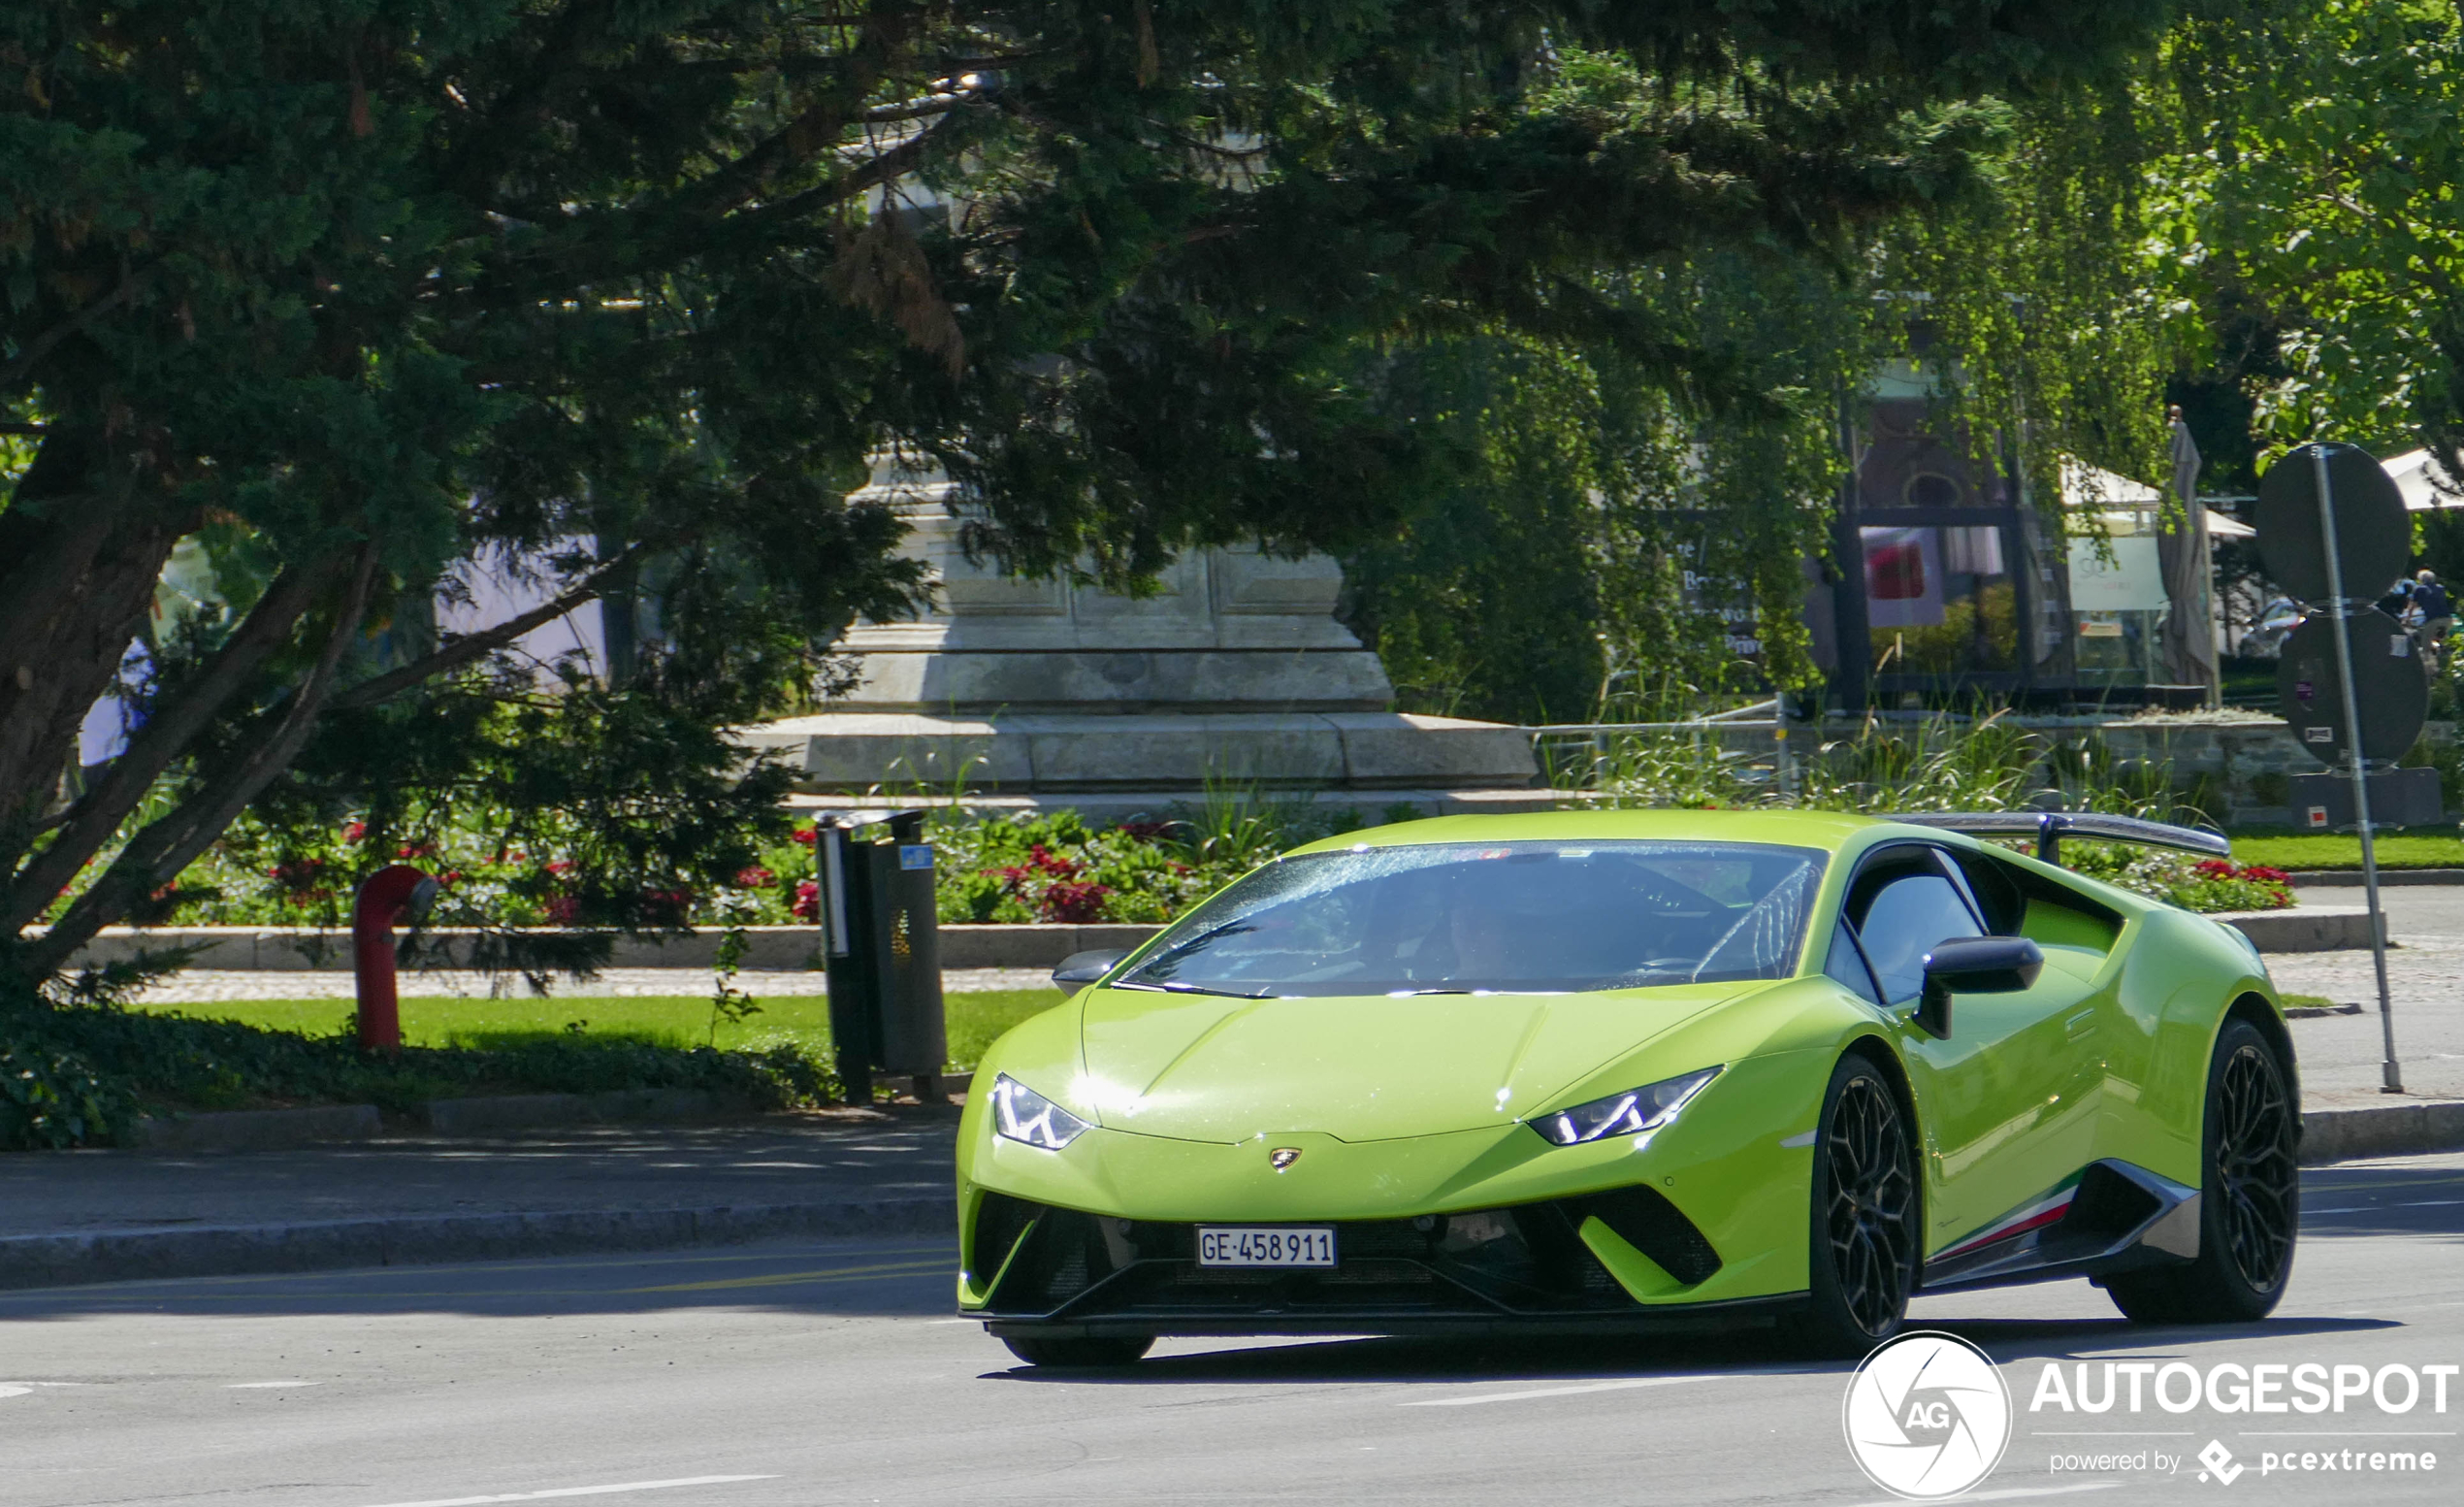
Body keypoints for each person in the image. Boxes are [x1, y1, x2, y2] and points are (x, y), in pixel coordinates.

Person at [2415, 569, 2454, 671]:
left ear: (2421, 580)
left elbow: (2412, 606)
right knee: (2443, 639)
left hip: (2433, 620)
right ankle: (2446, 657)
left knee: (2425, 644)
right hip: (2447, 619)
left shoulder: (2420, 589)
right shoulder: (2441, 588)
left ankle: (2427, 668)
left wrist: (2406, 618)